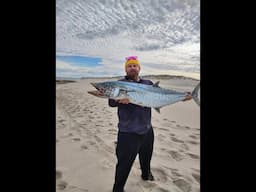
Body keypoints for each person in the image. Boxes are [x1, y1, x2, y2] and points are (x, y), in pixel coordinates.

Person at [108, 56, 192, 192]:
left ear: (139, 68)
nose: (132, 68)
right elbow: (111, 102)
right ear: (126, 69)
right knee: (124, 164)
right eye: (129, 66)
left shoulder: (148, 83)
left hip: (147, 129)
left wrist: (182, 97)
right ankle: (117, 189)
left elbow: (160, 96)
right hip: (128, 132)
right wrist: (118, 100)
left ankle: (146, 174)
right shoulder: (120, 83)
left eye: (135, 65)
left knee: (146, 156)